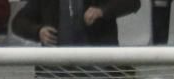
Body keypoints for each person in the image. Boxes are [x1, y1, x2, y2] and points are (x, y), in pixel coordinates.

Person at [11, 0, 141, 46]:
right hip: (54, 69)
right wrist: (38, 31)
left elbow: (132, 2)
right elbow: (18, 22)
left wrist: (102, 11)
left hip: (97, 64)